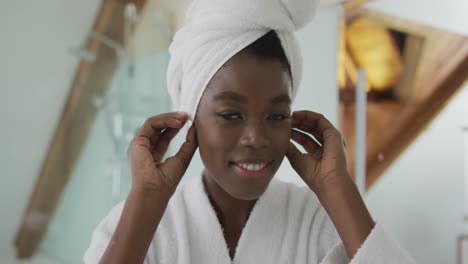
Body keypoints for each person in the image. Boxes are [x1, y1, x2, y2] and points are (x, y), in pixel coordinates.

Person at [84, 0, 416, 263]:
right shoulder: (137, 227)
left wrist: (338, 189)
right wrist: (145, 201)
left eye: (276, 115)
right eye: (230, 114)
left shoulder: (321, 225)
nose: (256, 137)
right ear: (189, 118)